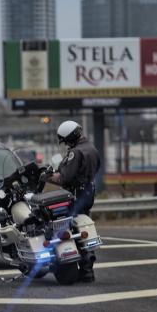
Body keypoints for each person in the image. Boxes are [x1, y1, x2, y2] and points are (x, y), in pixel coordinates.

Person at [48, 120, 101, 282]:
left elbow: (65, 178)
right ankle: (87, 270)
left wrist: (47, 176)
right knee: (82, 225)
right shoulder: (92, 149)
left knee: (67, 227)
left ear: (70, 137)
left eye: (65, 141)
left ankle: (69, 262)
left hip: (75, 194)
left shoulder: (75, 153)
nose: (65, 145)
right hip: (88, 192)